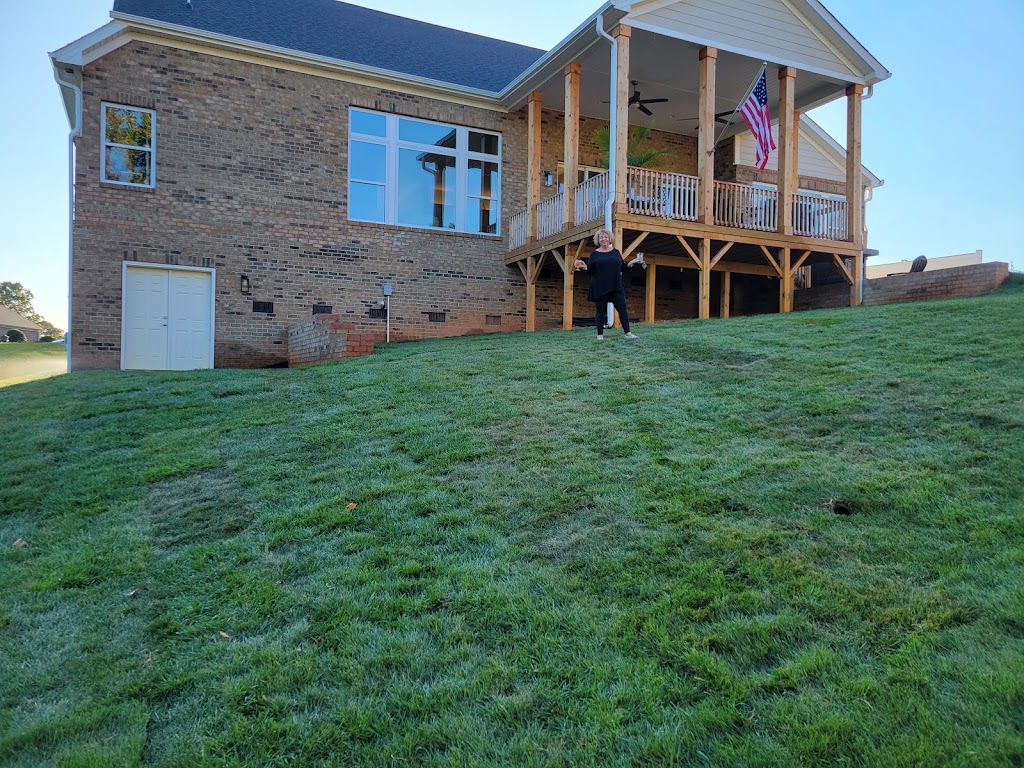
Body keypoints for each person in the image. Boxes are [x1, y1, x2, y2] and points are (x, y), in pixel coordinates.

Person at [573, 229, 643, 340]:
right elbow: (590, 271)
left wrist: (632, 262)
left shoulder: (616, 252)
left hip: (616, 286)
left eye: (606, 237)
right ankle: (600, 335)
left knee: (622, 308)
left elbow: (622, 268)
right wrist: (583, 266)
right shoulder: (594, 255)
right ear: (598, 240)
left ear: (610, 239)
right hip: (600, 286)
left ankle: (628, 333)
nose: (603, 239)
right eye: (601, 237)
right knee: (600, 311)